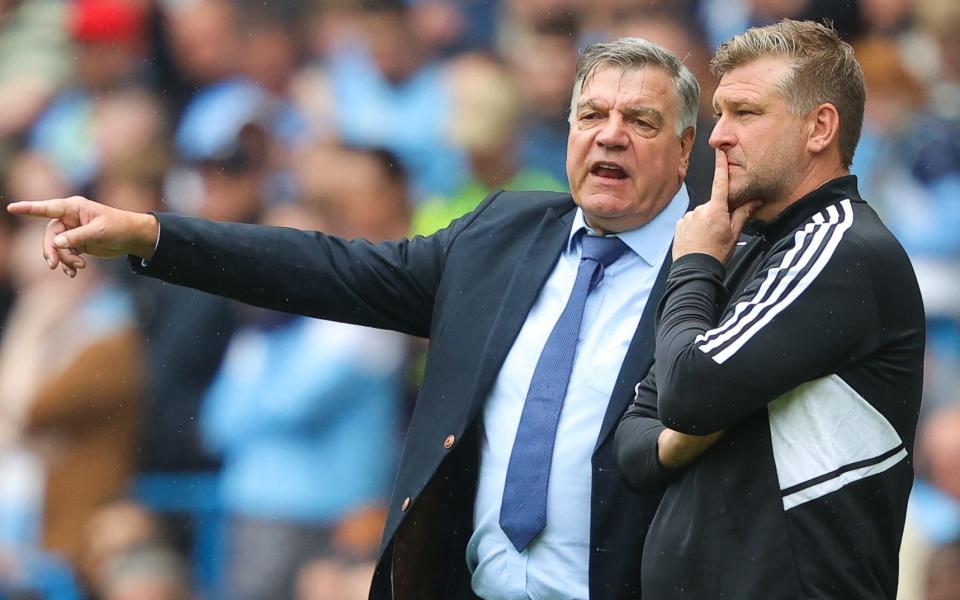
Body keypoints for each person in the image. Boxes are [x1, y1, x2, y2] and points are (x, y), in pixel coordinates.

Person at [8, 36, 699, 599]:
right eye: (592, 116)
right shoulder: (504, 233)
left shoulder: (717, 269)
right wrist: (152, 235)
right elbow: (329, 269)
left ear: (686, 147)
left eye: (640, 121)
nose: (610, 137)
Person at [614, 20, 925, 599]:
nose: (717, 136)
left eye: (746, 113)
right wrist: (675, 439)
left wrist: (693, 265)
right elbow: (632, 440)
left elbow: (684, 391)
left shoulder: (841, 248)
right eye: (719, 112)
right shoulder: (747, 248)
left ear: (820, 128)